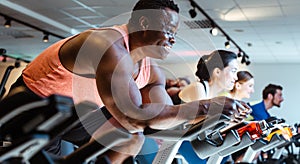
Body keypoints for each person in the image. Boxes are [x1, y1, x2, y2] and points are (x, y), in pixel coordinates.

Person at [6, 0, 250, 163]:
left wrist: (215, 115)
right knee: (128, 129)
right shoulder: (107, 45)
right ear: (144, 24)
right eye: (169, 31)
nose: (173, 40)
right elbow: (133, 115)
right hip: (32, 111)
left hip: (71, 116)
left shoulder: (150, 70)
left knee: (132, 137)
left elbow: (156, 120)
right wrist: (206, 107)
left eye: (175, 34)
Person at [177, 50, 241, 164]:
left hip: (191, 139)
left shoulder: (212, 95)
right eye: (233, 71)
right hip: (178, 140)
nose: (236, 78)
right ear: (217, 71)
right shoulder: (198, 88)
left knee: (224, 157)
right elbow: (201, 123)